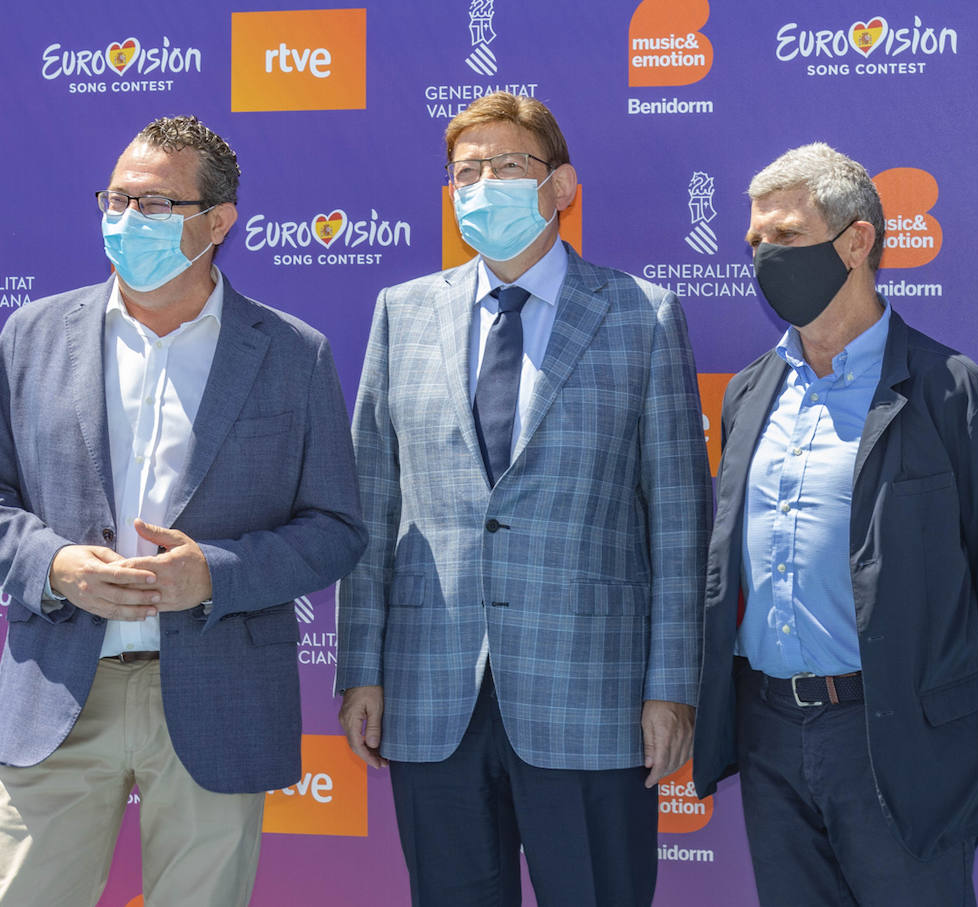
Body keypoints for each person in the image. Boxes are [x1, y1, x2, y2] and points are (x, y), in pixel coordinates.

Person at [0, 115, 366, 907]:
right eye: (116, 198)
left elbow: (336, 528)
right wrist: (55, 564)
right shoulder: (33, 335)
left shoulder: (290, 352)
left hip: (217, 694)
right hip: (60, 695)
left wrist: (214, 572)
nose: (126, 220)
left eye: (155, 205)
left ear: (218, 222)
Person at [335, 92, 711, 906]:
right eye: (466, 172)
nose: (484, 185)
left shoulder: (640, 317)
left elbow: (680, 522)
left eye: (508, 165)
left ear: (562, 186)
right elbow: (371, 510)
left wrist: (671, 685)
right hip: (433, 697)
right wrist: (360, 669)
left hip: (594, 701)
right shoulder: (403, 315)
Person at [691, 143, 978, 906]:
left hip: (896, 743)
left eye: (786, 236)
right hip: (771, 737)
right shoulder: (751, 392)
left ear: (856, 241)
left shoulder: (955, 392)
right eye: (755, 242)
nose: (763, 256)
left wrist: (941, 710)